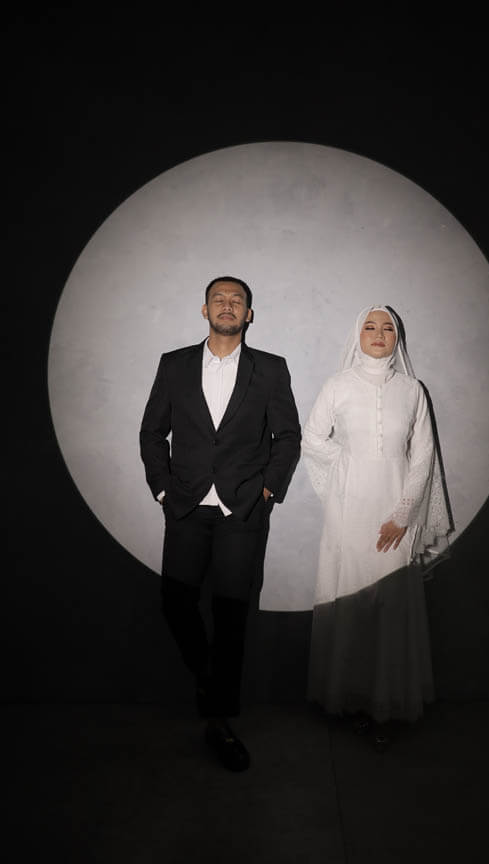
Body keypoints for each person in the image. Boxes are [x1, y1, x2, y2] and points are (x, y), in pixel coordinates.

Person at [140, 277, 300, 771]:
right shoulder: (174, 364)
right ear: (204, 309)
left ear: (249, 314)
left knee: (231, 617)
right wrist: (163, 489)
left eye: (237, 301)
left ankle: (220, 722)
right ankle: (211, 681)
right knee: (176, 602)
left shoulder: (270, 369)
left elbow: (288, 436)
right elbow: (152, 432)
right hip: (186, 506)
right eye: (219, 299)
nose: (227, 306)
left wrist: (267, 490)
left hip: (242, 511)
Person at [302, 305, 451, 745]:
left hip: (396, 508)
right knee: (352, 600)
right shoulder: (338, 384)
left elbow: (423, 454)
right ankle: (352, 700)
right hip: (349, 511)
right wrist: (346, 464)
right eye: (370, 326)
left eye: (388, 328)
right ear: (358, 334)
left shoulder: (412, 390)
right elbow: (311, 437)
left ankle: (386, 705)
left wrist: (403, 514)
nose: (379, 333)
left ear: (397, 338)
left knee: (391, 602)